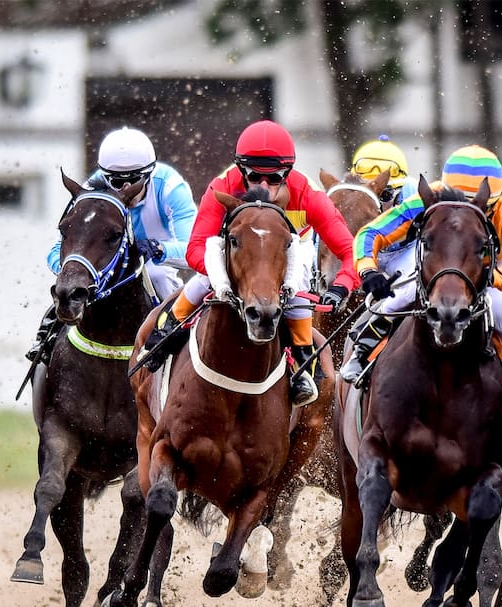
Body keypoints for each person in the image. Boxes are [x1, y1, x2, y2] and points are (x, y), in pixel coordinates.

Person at [138, 119, 359, 407]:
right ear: (241, 170)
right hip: (237, 257)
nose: (264, 187)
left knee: (297, 286)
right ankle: (165, 332)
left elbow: (351, 251)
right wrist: (230, 275)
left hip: (287, 254)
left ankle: (304, 364)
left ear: (288, 173)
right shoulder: (222, 186)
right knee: (205, 279)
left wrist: (341, 286)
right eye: (254, 177)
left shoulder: (309, 195)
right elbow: (195, 249)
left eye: (275, 177)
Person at [342, 145, 502, 425]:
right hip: (447, 265)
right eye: (454, 204)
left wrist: (494, 279)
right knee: (400, 294)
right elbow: (373, 231)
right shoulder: (429, 197)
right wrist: (367, 269)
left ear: (494, 199)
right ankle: (363, 351)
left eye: (478, 207)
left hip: (494, 265)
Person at [26, 126, 197, 363]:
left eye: (134, 181)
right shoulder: (92, 188)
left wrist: (159, 249)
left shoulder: (171, 188)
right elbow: (57, 250)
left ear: (149, 173)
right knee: (72, 284)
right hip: (107, 263)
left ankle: (179, 350)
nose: (126, 189)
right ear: (105, 176)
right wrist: (71, 270)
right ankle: (47, 338)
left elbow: (194, 250)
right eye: (116, 181)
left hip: (153, 263)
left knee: (158, 277)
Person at [351, 134, 411, 208]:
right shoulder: (341, 197)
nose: (376, 173)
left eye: (389, 168)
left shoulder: (412, 196)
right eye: (366, 166)